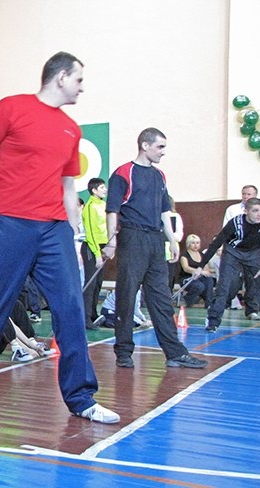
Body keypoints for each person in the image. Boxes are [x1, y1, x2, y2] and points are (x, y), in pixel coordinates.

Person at [0, 52, 119, 423]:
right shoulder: (11, 108)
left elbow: (68, 186)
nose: (82, 88)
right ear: (61, 77)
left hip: (54, 229)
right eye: (79, 80)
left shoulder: (71, 129)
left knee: (70, 310)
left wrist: (73, 236)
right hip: (10, 224)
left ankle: (82, 398)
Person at [103, 127, 208, 370]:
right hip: (132, 237)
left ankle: (175, 353)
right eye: (160, 147)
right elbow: (112, 210)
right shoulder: (123, 173)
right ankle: (123, 351)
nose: (163, 152)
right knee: (127, 296)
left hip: (155, 240)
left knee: (161, 298)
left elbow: (164, 211)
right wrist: (111, 242)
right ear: (145, 145)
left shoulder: (160, 176)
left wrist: (171, 240)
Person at [195, 198, 260, 332]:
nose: (259, 214)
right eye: (255, 211)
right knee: (224, 287)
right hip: (232, 253)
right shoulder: (235, 223)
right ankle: (213, 321)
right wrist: (200, 266)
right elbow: (216, 243)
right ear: (246, 211)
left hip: (254, 253)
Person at [221, 185, 260, 319]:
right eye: (244, 194)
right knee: (232, 280)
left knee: (252, 281)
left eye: (249, 194)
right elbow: (225, 230)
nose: (246, 196)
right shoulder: (232, 209)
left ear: (255, 196)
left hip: (254, 252)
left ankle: (252, 310)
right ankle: (223, 304)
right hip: (235, 251)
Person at [81, 178, 108, 329]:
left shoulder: (103, 205)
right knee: (90, 283)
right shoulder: (90, 206)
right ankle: (85, 318)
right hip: (91, 248)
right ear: (94, 190)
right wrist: (97, 253)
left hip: (103, 247)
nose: (105, 190)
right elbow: (90, 232)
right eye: (102, 187)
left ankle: (93, 314)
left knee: (98, 283)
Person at [179, 234, 214, 308]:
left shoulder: (202, 255)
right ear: (188, 244)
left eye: (197, 243)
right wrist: (199, 271)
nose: (195, 245)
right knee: (199, 286)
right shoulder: (184, 255)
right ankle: (187, 299)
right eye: (193, 243)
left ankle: (209, 303)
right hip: (187, 278)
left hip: (199, 278)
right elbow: (186, 268)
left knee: (209, 280)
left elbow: (206, 268)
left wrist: (206, 272)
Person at [165, 196, 184, 291]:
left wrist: (167, 234)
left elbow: (179, 236)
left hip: (170, 252)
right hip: (156, 251)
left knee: (169, 277)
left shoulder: (175, 216)